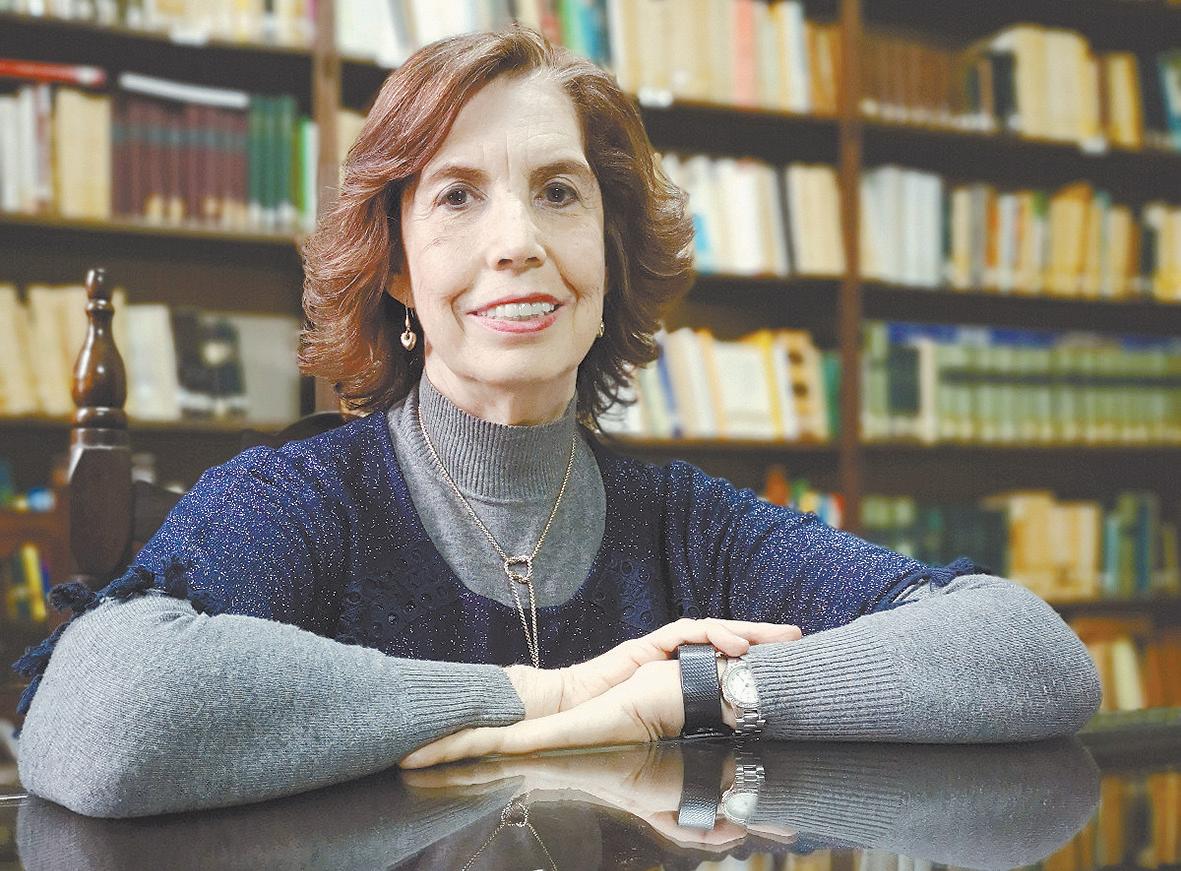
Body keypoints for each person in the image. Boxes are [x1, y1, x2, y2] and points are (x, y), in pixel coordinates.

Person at [12, 25, 1099, 819]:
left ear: (606, 252)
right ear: (395, 267)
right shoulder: (298, 500)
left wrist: (688, 695)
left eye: (558, 192)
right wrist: (543, 692)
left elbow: (1026, 656)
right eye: (456, 195)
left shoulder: (685, 523)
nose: (517, 242)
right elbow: (97, 721)